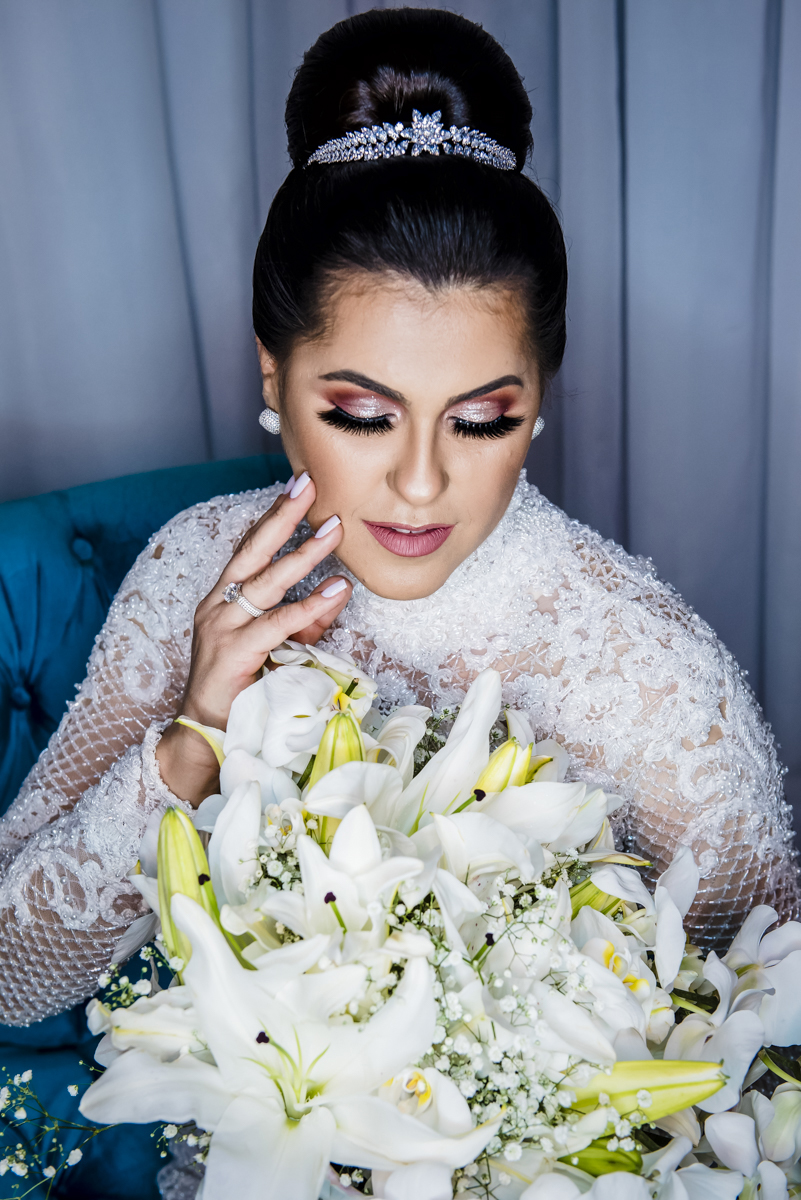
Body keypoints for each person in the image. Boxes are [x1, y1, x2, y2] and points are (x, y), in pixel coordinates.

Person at [0, 7, 796, 1028]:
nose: (420, 484)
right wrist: (195, 735)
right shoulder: (200, 566)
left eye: (479, 421)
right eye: (364, 416)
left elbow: (762, 1071)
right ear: (273, 376)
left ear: (537, 398)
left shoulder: (656, 693)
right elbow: (15, 980)